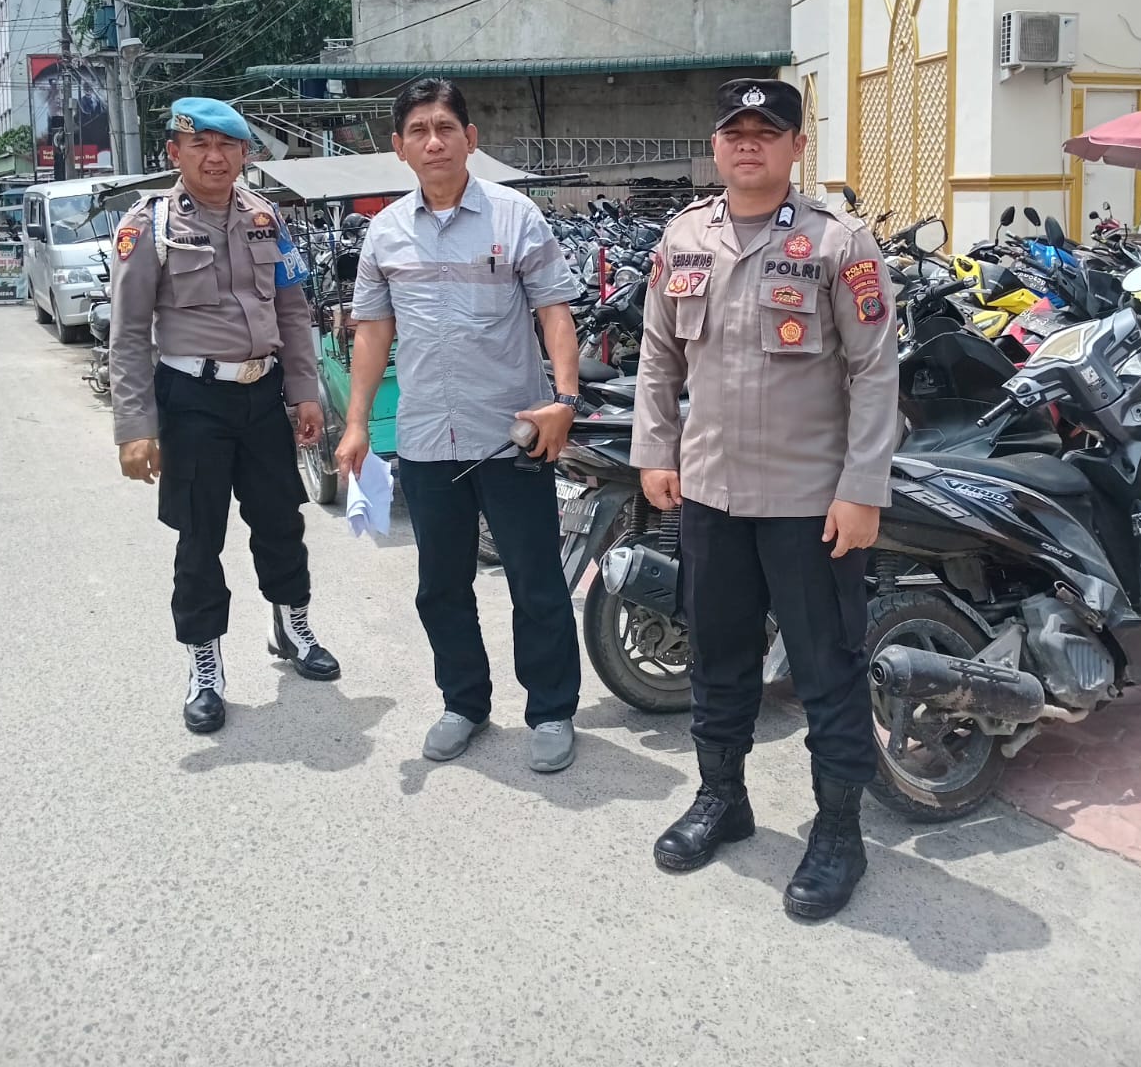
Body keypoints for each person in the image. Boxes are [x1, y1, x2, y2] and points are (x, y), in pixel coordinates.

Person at [631, 78, 898, 920]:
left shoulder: (838, 242)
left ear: (794, 148)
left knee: (826, 669)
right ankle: (724, 799)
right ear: (716, 145)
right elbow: (657, 357)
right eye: (735, 131)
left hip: (809, 501)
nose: (749, 144)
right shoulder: (684, 237)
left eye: (767, 131)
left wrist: (862, 490)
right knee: (718, 657)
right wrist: (654, 453)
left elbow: (874, 370)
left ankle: (839, 831)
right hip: (710, 489)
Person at [335, 78, 583, 773]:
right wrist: (356, 423)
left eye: (446, 126)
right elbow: (372, 335)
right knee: (440, 584)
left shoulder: (515, 216)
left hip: (512, 435)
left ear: (471, 138)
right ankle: (464, 702)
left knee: (535, 579)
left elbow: (555, 312)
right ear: (399, 147)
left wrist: (563, 397)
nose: (434, 140)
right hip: (423, 438)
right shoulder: (384, 233)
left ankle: (552, 708)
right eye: (419, 130)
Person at [109, 97, 340, 734]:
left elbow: (292, 312)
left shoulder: (266, 218)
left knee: (280, 521)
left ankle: (292, 629)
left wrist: (306, 392)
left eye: (228, 146)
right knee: (200, 537)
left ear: (244, 154)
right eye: (200, 145)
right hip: (192, 402)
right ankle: (204, 664)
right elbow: (129, 334)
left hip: (263, 395)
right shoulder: (149, 226)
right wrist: (136, 427)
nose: (215, 158)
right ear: (174, 153)